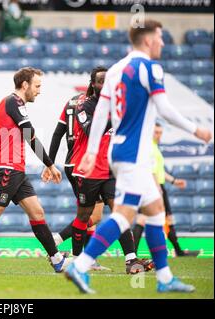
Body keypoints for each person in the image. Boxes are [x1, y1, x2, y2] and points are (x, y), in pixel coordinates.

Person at [65, 19, 212, 294]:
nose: (163, 43)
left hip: (119, 152)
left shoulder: (116, 70)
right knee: (123, 215)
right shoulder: (149, 67)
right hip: (134, 153)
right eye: (160, 37)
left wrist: (94, 150)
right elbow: (164, 108)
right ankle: (80, 265)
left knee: (155, 211)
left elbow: (101, 113)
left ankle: (165, 278)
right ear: (148, 40)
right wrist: (196, 130)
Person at [47, 66, 153, 274]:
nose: (105, 84)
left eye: (108, 80)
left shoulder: (119, 104)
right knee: (85, 217)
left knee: (119, 213)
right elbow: (89, 130)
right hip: (87, 170)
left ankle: (131, 260)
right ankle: (76, 258)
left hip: (110, 169)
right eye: (100, 81)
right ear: (93, 84)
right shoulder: (84, 106)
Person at [0, 67, 69, 274]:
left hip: (16, 169)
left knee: (37, 212)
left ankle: (57, 260)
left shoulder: (14, 103)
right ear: (25, 85)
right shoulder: (13, 101)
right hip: (7, 168)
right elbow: (30, 134)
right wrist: (49, 163)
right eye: (37, 86)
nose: (39, 91)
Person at [133, 123, 200, 257]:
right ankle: (177, 251)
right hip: (153, 187)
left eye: (160, 132)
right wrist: (157, 188)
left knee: (152, 218)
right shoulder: (150, 148)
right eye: (156, 132)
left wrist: (174, 181)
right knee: (152, 219)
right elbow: (151, 171)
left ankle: (133, 254)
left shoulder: (154, 148)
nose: (159, 135)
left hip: (156, 186)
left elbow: (159, 171)